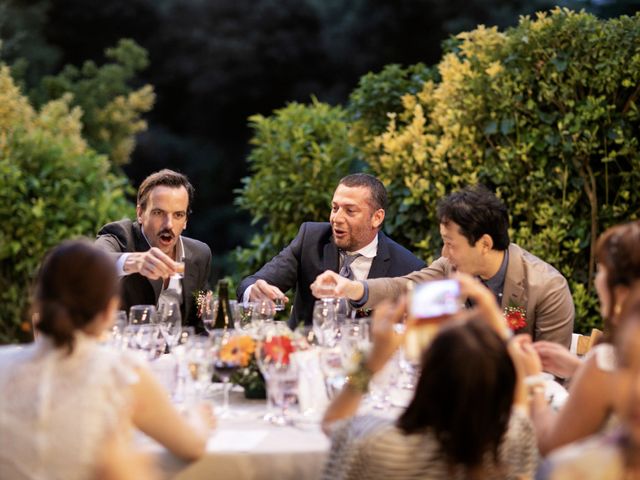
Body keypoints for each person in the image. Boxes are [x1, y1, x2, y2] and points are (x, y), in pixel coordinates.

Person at [0, 240, 213, 480]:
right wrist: (199, 416)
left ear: (37, 302)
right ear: (110, 309)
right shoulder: (121, 372)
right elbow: (191, 445)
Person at [321, 274, 538, 480]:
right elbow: (519, 403)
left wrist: (375, 359)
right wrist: (498, 326)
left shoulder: (376, 444)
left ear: (428, 375)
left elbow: (332, 422)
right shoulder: (510, 442)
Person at [312, 184, 574, 345]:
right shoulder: (450, 268)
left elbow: (550, 374)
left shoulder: (547, 288)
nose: (444, 253)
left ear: (484, 243)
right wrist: (350, 287)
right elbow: (404, 286)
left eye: (451, 243)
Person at [237, 173, 425, 327]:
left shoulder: (407, 267)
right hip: (307, 361)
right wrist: (253, 291)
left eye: (350, 211)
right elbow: (251, 283)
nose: (337, 218)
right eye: (335, 208)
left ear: (377, 217)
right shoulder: (310, 239)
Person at [520, 220, 640, 456]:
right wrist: (579, 368)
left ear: (622, 292)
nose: (597, 281)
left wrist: (534, 380)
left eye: (601, 271)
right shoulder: (613, 361)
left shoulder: (606, 360)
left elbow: (551, 445)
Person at [537, 282, 640, 479]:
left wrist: (533, 384)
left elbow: (551, 442)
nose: (637, 390)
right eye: (625, 363)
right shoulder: (573, 470)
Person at [95, 169, 211, 328]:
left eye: (178, 215)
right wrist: (135, 261)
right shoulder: (121, 236)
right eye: (158, 213)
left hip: (177, 351)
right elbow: (93, 262)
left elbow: (201, 317)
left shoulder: (199, 254)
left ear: (185, 221)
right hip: (125, 350)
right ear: (140, 213)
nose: (168, 224)